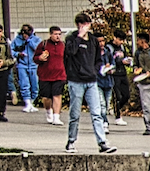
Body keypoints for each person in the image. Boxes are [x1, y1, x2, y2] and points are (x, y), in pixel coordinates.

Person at [63, 13, 116, 154]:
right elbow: (70, 52)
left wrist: (97, 69)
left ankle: (102, 142)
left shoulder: (93, 41)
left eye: (87, 24)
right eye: (82, 24)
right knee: (75, 113)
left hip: (91, 80)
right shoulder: (71, 39)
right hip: (76, 81)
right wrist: (79, 36)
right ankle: (71, 141)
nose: (85, 27)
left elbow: (98, 58)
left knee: (96, 113)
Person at [35, 26, 66, 126]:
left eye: (59, 34)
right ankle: (49, 111)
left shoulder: (63, 45)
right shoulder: (43, 44)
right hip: (45, 75)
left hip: (59, 75)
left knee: (57, 95)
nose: (58, 36)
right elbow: (35, 58)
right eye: (55, 34)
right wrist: (40, 58)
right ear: (50, 34)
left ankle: (56, 116)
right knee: (46, 97)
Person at [12, 24, 41, 112]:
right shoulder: (17, 40)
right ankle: (27, 103)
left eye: (27, 33)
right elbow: (11, 50)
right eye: (24, 33)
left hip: (33, 65)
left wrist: (29, 41)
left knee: (35, 85)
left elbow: (38, 49)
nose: (25, 35)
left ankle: (32, 102)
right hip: (22, 65)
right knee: (24, 84)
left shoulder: (36, 39)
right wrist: (18, 54)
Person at [107, 32, 131, 125]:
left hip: (123, 73)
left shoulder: (122, 48)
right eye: (120, 39)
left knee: (126, 95)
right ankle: (118, 116)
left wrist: (128, 61)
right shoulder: (109, 47)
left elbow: (124, 56)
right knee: (117, 96)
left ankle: (115, 108)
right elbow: (110, 60)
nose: (121, 42)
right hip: (114, 74)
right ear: (114, 38)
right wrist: (120, 62)